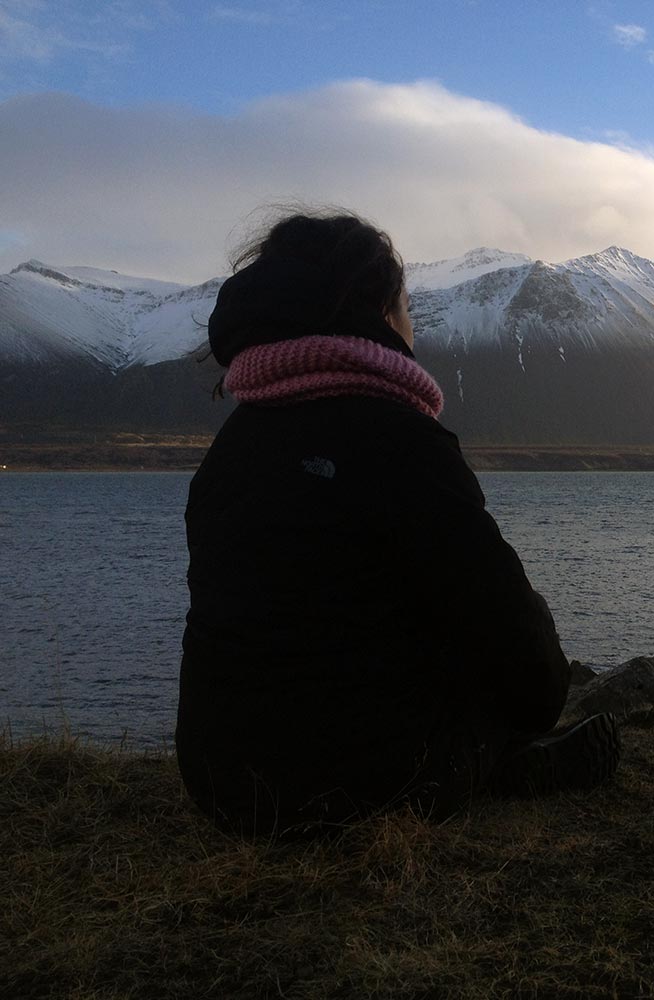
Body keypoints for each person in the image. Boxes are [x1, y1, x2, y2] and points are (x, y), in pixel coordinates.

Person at [175, 210, 619, 837]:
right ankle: (502, 770)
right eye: (407, 309)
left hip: (221, 787)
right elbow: (518, 648)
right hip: (362, 785)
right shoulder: (402, 441)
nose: (414, 330)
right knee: (499, 639)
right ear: (378, 313)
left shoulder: (228, 453)